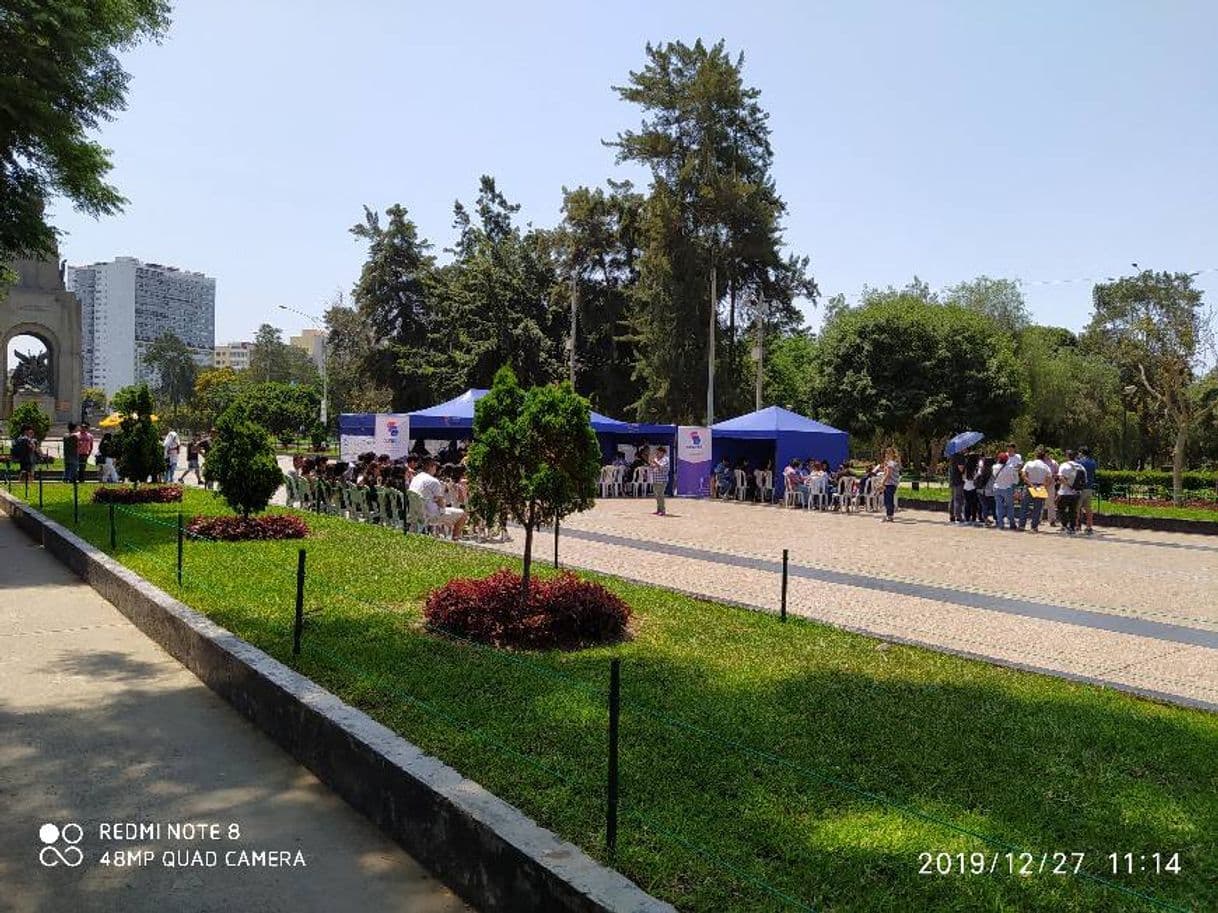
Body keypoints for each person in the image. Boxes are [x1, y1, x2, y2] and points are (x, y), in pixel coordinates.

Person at [409, 457, 467, 539]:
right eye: (435, 467)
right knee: (462, 515)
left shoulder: (415, 478)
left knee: (449, 513)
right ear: (432, 467)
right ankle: (455, 540)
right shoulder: (433, 481)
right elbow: (440, 502)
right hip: (430, 514)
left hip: (415, 512)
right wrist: (443, 509)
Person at [1018, 448, 1053, 532]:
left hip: (1030, 485)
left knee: (1024, 506)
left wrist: (1031, 484)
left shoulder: (1029, 463)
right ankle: (1034, 527)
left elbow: (1023, 475)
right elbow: (1049, 479)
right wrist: (1043, 486)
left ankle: (1022, 525)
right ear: (1044, 457)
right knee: (1037, 508)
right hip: (1040, 486)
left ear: (1035, 456)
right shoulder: (1046, 466)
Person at [1057, 450, 1085, 534]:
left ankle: (1065, 525)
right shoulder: (1081, 467)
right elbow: (1084, 481)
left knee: (1060, 508)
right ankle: (1072, 527)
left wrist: (1069, 485)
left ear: (1067, 456)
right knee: (1073, 511)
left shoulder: (1064, 465)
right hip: (1076, 493)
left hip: (1065, 492)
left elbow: (1061, 478)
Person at [992, 451, 1021, 530]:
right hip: (1007, 488)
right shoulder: (1011, 467)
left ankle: (1000, 524)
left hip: (997, 488)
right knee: (1010, 506)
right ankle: (1012, 523)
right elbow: (1016, 479)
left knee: (999, 507)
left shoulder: (994, 467)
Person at [1077, 446, 1098, 535]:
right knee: (1088, 508)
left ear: (1081, 452)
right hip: (1089, 487)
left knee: (1077, 508)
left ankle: (1077, 526)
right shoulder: (1093, 462)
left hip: (1080, 488)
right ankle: (1089, 526)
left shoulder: (1079, 462)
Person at [880, 447, 901, 522]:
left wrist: (882, 482)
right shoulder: (893, 462)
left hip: (890, 484)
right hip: (891, 484)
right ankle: (888, 515)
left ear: (891, 454)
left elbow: (888, 474)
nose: (886, 455)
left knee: (888, 500)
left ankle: (889, 515)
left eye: (888, 453)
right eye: (886, 453)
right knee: (888, 500)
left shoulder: (891, 463)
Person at [650, 446, 670, 516]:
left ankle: (663, 510)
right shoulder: (657, 459)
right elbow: (653, 466)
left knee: (660, 495)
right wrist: (652, 465)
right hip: (655, 479)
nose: (657, 453)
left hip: (662, 480)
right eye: (657, 452)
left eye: (658, 452)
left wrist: (655, 462)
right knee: (656, 495)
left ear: (662, 452)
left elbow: (662, 467)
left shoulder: (665, 459)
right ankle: (658, 509)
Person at [947, 451, 967, 522]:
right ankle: (958, 516)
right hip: (958, 480)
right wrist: (965, 468)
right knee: (958, 498)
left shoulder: (952, 456)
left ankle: (951, 515)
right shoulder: (960, 457)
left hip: (952, 480)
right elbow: (961, 468)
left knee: (952, 498)